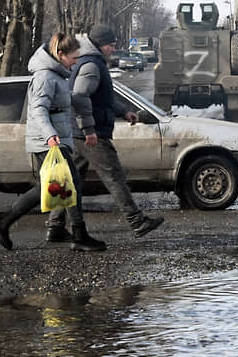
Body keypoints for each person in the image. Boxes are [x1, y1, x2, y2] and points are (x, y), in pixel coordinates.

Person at [0, 33, 106, 252]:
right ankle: (78, 235)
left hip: (54, 138)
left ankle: (4, 222)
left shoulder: (57, 74)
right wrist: (51, 135)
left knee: (65, 186)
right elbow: (38, 110)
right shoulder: (45, 77)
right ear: (60, 55)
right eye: (73, 57)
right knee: (64, 185)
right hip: (48, 141)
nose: (76, 61)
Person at [45, 24, 164, 242]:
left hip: (77, 131)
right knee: (114, 176)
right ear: (100, 45)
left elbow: (104, 98)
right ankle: (136, 221)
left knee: (69, 180)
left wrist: (124, 111)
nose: (113, 49)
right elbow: (79, 96)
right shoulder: (91, 65)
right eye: (110, 45)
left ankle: (55, 225)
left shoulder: (91, 62)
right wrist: (89, 129)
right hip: (92, 134)